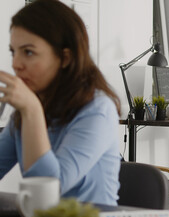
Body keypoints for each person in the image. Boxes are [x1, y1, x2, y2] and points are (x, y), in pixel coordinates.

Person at [0, 0, 121, 206]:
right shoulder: (28, 110)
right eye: (14, 51)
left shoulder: (98, 110)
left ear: (65, 58)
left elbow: (49, 190)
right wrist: (31, 109)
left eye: (28, 52)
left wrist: (31, 110)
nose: (15, 64)